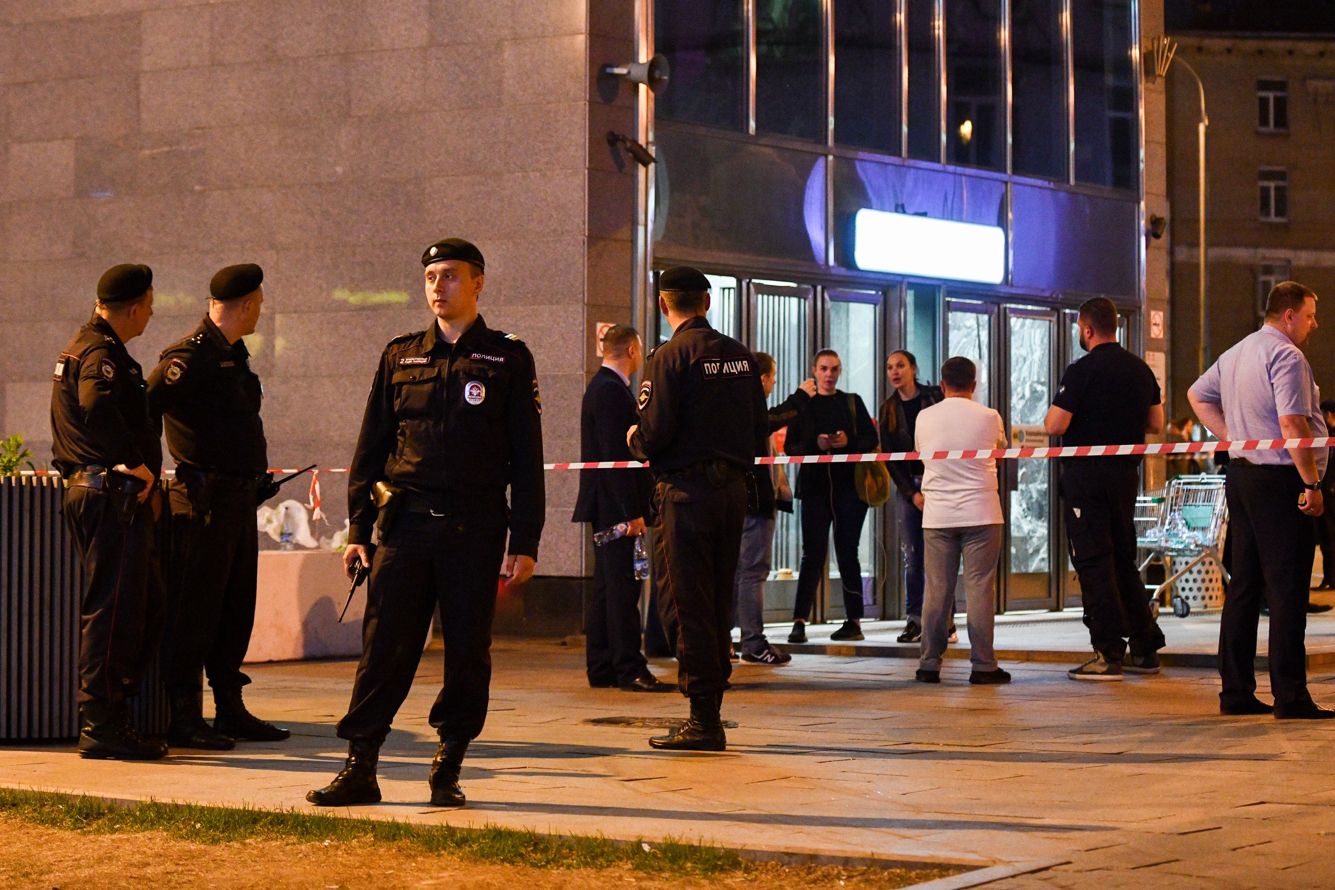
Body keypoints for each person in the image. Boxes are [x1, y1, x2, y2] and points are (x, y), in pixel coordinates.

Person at [308, 238, 544, 807]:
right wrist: (358, 531)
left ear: (478, 283)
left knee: (467, 652)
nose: (439, 286)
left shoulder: (508, 358)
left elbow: (527, 457)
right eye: (431, 277)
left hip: (474, 529)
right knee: (383, 649)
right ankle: (360, 766)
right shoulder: (401, 355)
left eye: (451, 276)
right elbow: (370, 448)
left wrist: (526, 540)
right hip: (405, 527)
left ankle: (448, 766)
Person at [147, 264, 286, 752]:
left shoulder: (233, 355)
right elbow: (146, 409)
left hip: (237, 501)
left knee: (234, 607)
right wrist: (146, 471)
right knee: (196, 610)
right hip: (202, 504)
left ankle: (230, 707)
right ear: (245, 305)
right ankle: (184, 715)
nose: (261, 312)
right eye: (259, 304)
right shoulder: (189, 357)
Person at [627, 266, 767, 751]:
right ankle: (710, 709)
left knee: (684, 604)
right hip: (731, 495)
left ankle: (703, 719)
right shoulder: (741, 356)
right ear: (707, 302)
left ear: (663, 305)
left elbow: (653, 434)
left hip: (684, 496)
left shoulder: (668, 357)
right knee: (717, 599)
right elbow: (759, 430)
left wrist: (635, 438)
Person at [1189, 281, 1331, 719]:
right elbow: (1292, 424)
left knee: (1245, 586)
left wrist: (1233, 437)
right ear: (1288, 315)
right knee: (1287, 589)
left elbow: (1197, 394)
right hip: (1280, 481)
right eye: (1309, 316)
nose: (1314, 325)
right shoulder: (1287, 356)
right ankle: (1291, 695)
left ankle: (1235, 691)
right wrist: (1311, 484)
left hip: (1243, 477)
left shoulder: (1236, 352)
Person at [50, 264, 166, 760]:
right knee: (113, 611)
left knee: (129, 607)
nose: (151, 314)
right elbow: (95, 405)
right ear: (135, 308)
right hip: (109, 495)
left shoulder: (86, 345)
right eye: (150, 306)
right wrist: (135, 464)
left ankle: (112, 715)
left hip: (99, 493)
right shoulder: (100, 353)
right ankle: (101, 724)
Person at [1045, 297, 1165, 681]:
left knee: (1094, 562)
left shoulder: (1081, 370)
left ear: (1087, 329)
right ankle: (1145, 647)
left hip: (1087, 480)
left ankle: (1107, 652)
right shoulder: (1140, 369)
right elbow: (1156, 422)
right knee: (1123, 560)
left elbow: (1055, 424)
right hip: (1125, 477)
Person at [571, 324, 672, 693]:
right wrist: (631, 512)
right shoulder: (612, 392)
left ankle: (602, 665)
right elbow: (617, 458)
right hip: (616, 509)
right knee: (623, 590)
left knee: (606, 589)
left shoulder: (601, 388)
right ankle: (630, 667)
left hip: (606, 505)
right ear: (632, 350)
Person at [912, 357, 1009, 685]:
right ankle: (983, 666)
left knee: (937, 589)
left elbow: (922, 453)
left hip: (938, 515)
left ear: (942, 385)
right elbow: (1000, 451)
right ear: (974, 384)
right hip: (982, 512)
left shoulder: (924, 417)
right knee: (980, 588)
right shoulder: (990, 416)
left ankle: (929, 664)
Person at [785, 350, 878, 643]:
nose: (829, 374)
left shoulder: (852, 401)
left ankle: (854, 621)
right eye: (824, 369)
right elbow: (790, 447)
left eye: (834, 369)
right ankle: (799, 620)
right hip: (814, 489)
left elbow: (871, 439)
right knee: (812, 553)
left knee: (848, 552)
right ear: (814, 370)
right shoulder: (803, 405)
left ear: (840, 371)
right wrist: (817, 443)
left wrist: (848, 442)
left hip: (849, 489)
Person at [733, 352, 815, 665]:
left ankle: (727, 641)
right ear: (763, 378)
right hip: (754, 502)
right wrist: (800, 398)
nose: (774, 383)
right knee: (753, 572)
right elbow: (771, 421)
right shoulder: (752, 412)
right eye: (773, 378)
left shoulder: (732, 407)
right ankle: (753, 643)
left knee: (736, 572)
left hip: (735, 501)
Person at [879, 349, 944, 643]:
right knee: (913, 556)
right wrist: (911, 493)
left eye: (901, 365)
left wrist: (933, 485)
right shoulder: (888, 409)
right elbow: (890, 458)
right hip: (909, 487)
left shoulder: (934, 398)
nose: (895, 372)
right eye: (890, 367)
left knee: (941, 554)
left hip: (938, 481)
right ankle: (914, 620)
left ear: (914, 369)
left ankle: (945, 620)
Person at [1314, 400, 1335, 592]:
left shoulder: (1328, 437)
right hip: (1328, 491)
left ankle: (1331, 578)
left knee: (1329, 537)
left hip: (1328, 492)